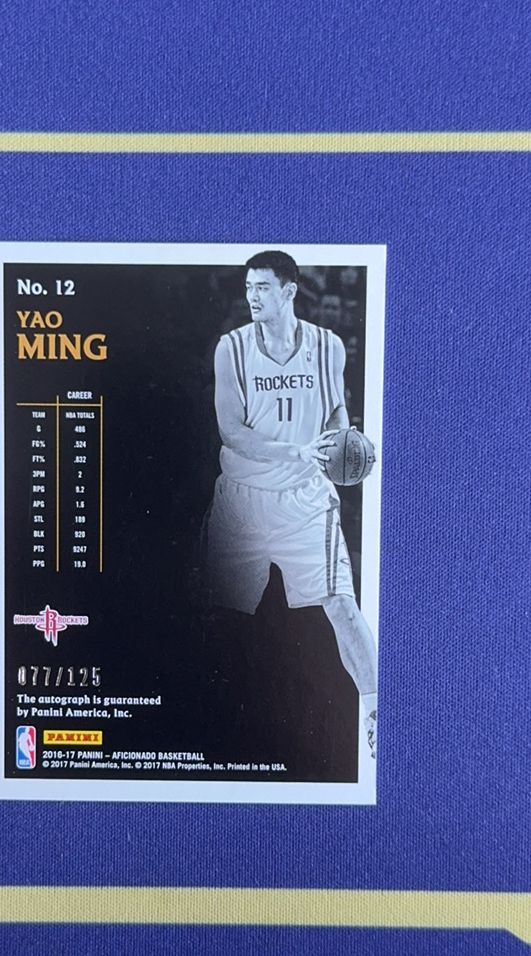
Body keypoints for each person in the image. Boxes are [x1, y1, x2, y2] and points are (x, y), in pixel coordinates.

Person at [205, 251, 378, 756]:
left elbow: (336, 410)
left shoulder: (327, 347)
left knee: (342, 605)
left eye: (262, 287)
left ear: (288, 291)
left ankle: (376, 717)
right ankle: (205, 722)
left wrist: (342, 444)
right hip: (243, 499)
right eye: (248, 287)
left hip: (305, 500)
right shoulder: (231, 349)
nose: (252, 296)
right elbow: (231, 431)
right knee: (216, 615)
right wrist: (296, 450)